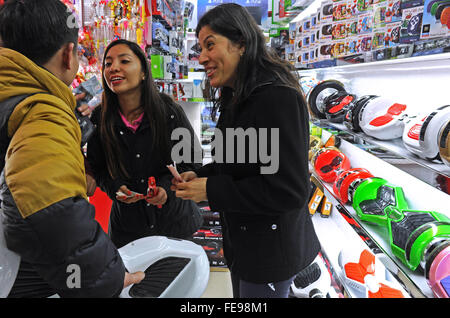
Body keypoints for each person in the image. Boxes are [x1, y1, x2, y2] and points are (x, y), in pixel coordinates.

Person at [171, 3, 321, 298]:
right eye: (200, 47)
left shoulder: (277, 98)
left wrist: (211, 189)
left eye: (210, 45)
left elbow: (289, 191)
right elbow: (235, 161)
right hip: (244, 247)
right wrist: (199, 175)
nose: (201, 57)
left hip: (269, 255)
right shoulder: (236, 96)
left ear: (240, 42)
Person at [0, 0, 144, 297]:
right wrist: (106, 276)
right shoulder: (43, 112)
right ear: (68, 55)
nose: (114, 69)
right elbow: (50, 209)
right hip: (15, 275)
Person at [86, 39, 203, 249]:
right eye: (108, 63)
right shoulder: (100, 118)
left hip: (174, 226)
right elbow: (98, 168)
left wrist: (166, 190)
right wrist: (115, 187)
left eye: (124, 61)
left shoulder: (168, 111)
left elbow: (192, 162)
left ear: (143, 72)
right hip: (129, 231)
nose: (114, 68)